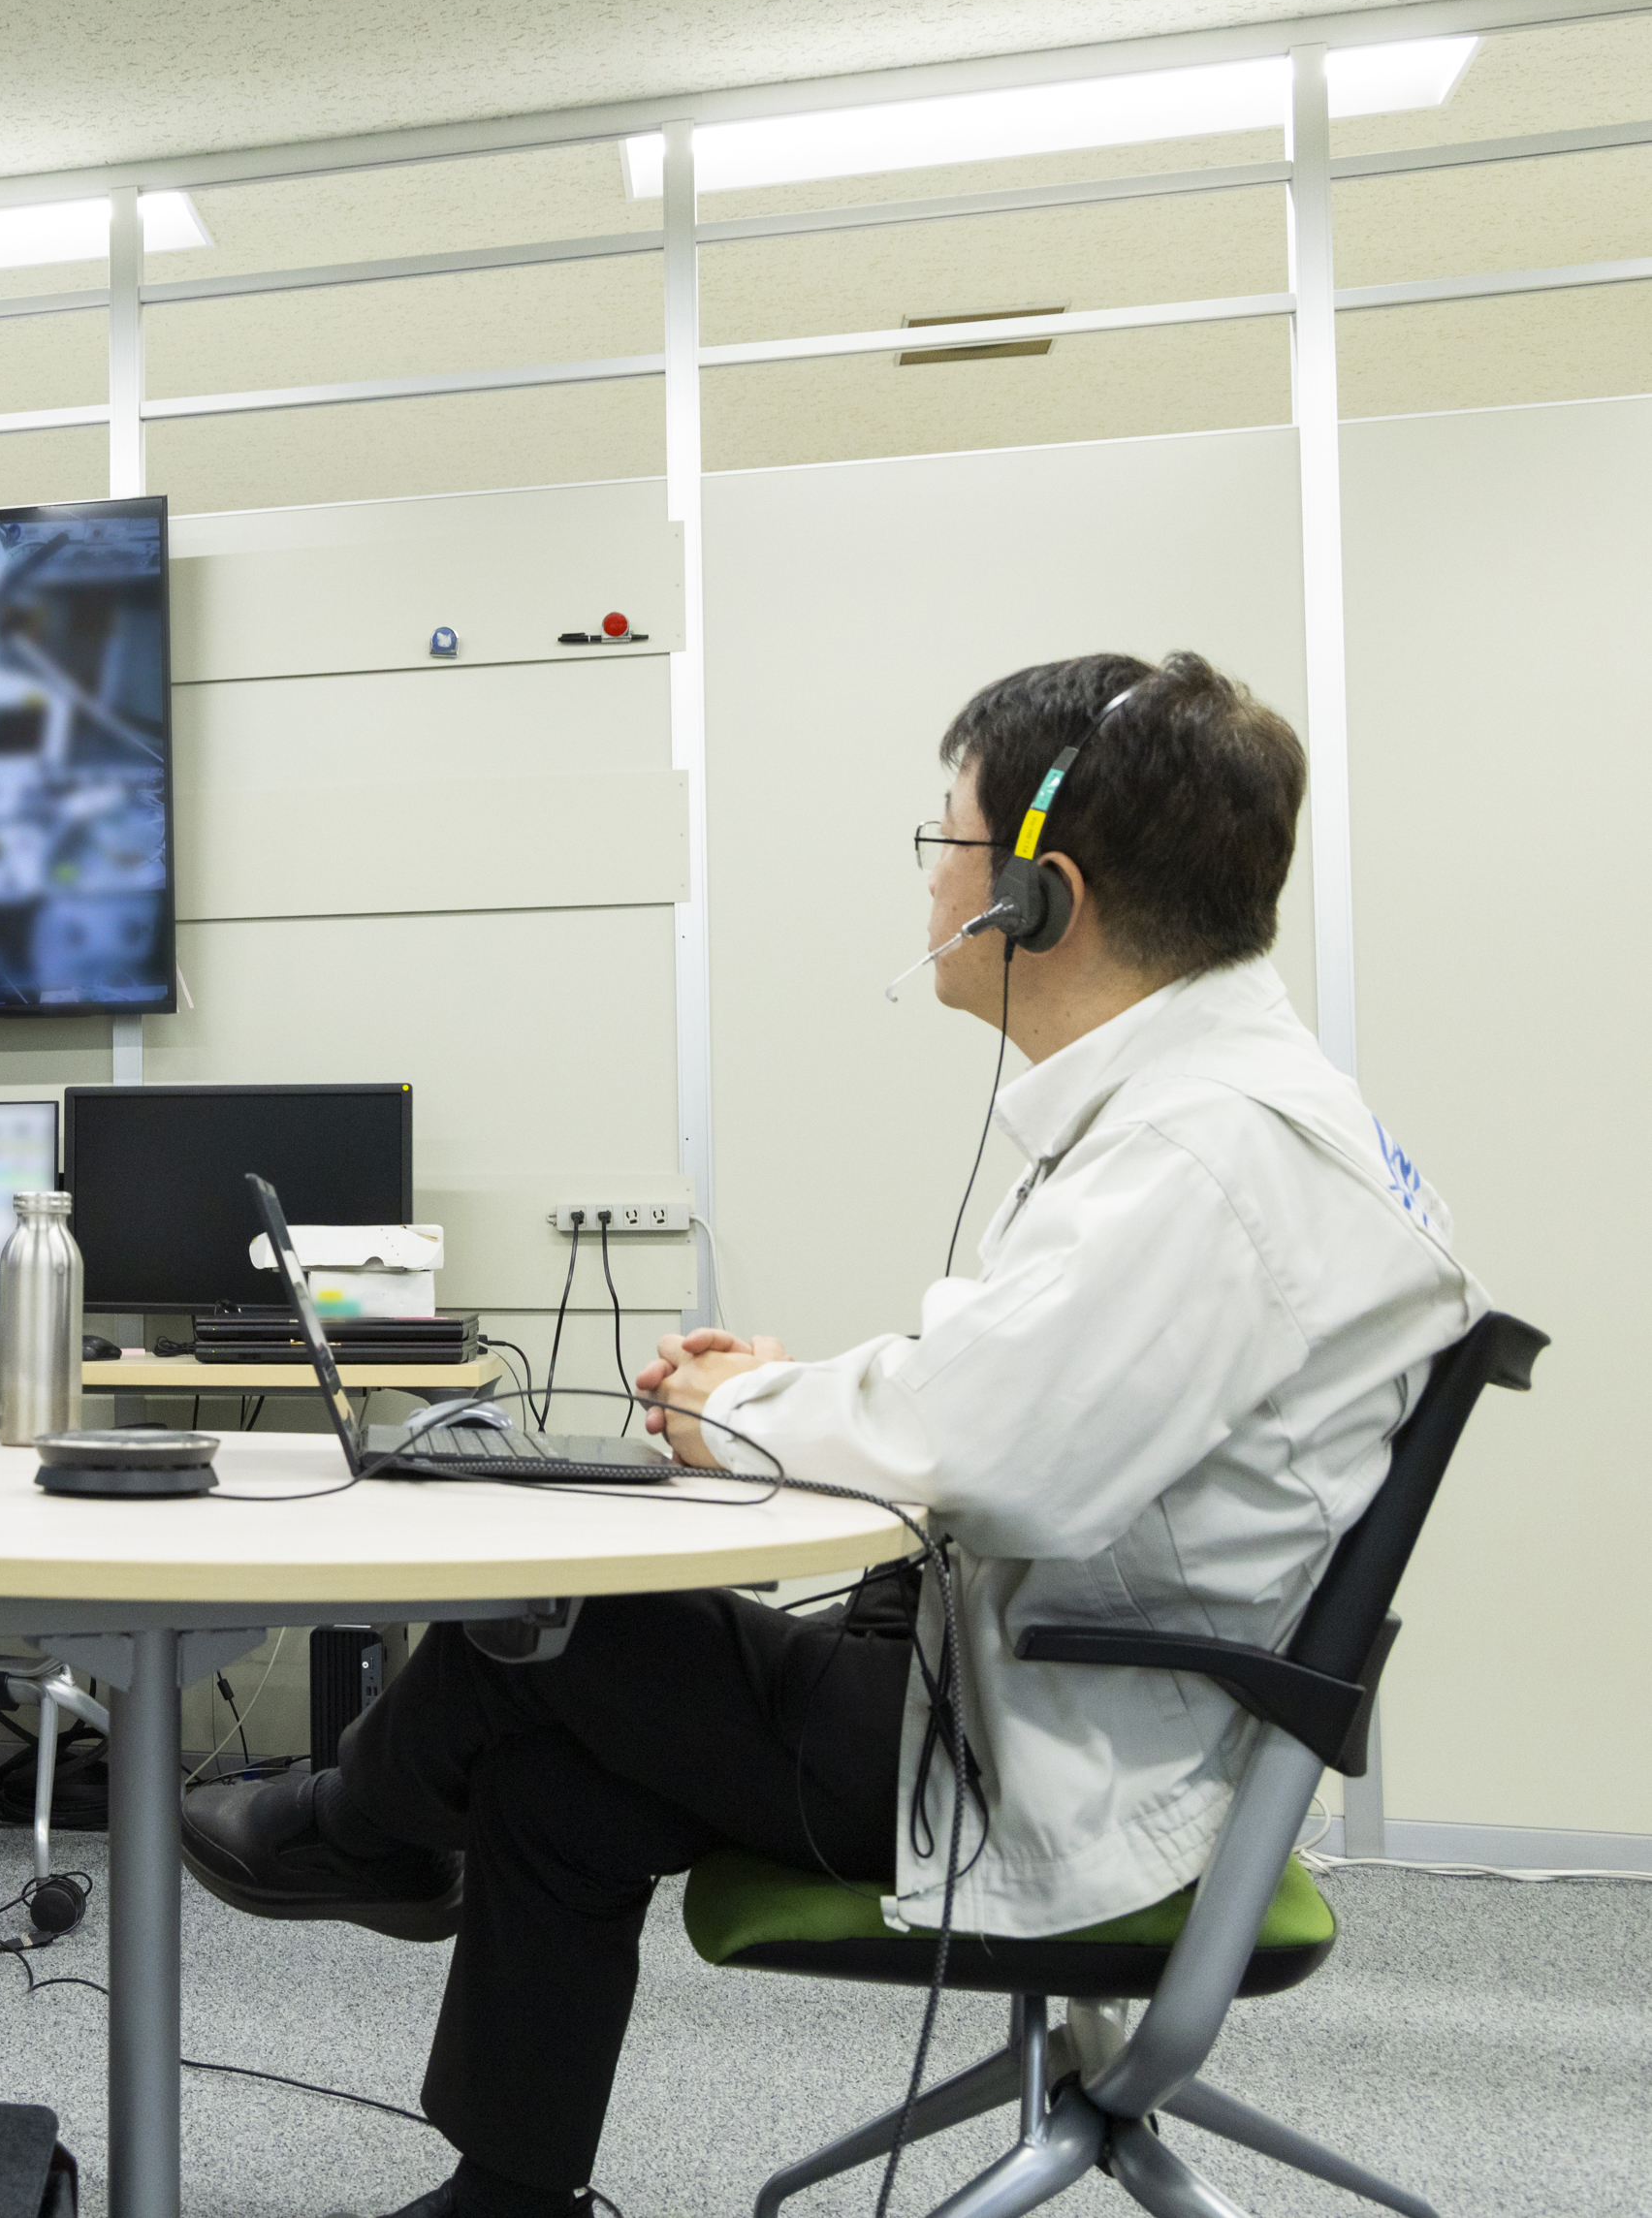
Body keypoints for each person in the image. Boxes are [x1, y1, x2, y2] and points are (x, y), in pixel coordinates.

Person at [179, 650, 1484, 2218]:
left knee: (544, 1621)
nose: (929, 880)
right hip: (1057, 1676)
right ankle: (498, 2180)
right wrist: (796, 1388)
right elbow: (1026, 1377)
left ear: (1042, 899)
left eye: (945, 840)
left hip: (1042, 1750)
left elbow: (995, 1450)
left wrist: (737, 1410)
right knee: (553, 1769)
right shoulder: (1219, 1107)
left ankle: (359, 1826)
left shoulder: (1204, 1159)